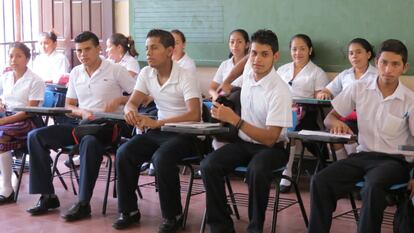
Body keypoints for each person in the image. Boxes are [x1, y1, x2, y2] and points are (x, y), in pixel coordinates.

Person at [308, 39, 414, 233]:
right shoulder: (359, 88)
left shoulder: (410, 100)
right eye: (384, 62)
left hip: (395, 161)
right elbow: (329, 119)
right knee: (320, 181)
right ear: (376, 63)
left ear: (404, 67)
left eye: (395, 64)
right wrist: (337, 123)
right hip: (363, 156)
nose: (388, 69)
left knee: (372, 187)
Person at [26, 31, 135, 220]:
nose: (83, 54)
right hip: (81, 123)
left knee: (89, 143)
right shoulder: (76, 72)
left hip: (108, 126)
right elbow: (69, 104)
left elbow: (139, 97)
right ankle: (47, 196)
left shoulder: (115, 70)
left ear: (98, 49)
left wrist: (119, 99)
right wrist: (82, 112)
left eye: (87, 49)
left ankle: (83, 203)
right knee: (35, 136)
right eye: (79, 51)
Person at [201, 29, 292, 233]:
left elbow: (270, 138)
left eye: (264, 54)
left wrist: (235, 120)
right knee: (209, 165)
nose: (257, 59)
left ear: (275, 57)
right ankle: (221, 226)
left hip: (273, 149)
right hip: (244, 144)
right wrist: (223, 90)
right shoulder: (249, 76)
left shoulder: (280, 90)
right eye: (253, 53)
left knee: (257, 170)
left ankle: (255, 227)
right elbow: (234, 75)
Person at [112, 29, 202, 232]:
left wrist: (158, 123)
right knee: (124, 153)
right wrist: (130, 111)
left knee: (162, 158)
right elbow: (132, 102)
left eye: (154, 48)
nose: (148, 53)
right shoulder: (146, 73)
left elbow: (194, 114)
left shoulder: (186, 76)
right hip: (161, 132)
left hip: (187, 134)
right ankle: (129, 211)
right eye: (146, 48)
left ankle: (173, 216)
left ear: (170, 51)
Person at [276, 34, 329, 193]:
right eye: (294, 49)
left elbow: (321, 97)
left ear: (310, 50)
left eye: (302, 49)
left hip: (305, 114)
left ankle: (287, 172)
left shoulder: (317, 72)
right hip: (280, 111)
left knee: (290, 126)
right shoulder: (282, 69)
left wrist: (301, 106)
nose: (297, 52)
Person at [316, 38, 377, 159]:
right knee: (334, 136)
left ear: (368, 54)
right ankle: (342, 164)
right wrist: (323, 94)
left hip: (367, 120)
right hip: (344, 117)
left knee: (347, 134)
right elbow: (325, 91)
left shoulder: (377, 75)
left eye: (359, 52)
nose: (354, 56)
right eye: (351, 53)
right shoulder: (345, 74)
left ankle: (353, 163)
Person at [0, 42, 45, 204]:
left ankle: (6, 189)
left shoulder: (35, 80)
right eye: (11, 56)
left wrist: (3, 120)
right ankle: (6, 185)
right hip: (7, 118)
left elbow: (29, 111)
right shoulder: (5, 77)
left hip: (28, 122)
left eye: (19, 56)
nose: (14, 60)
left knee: (1, 136)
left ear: (27, 59)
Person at [208, 29, 249, 101]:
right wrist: (215, 96)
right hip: (222, 102)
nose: (235, 45)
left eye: (239, 42)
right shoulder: (225, 64)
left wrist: (231, 88)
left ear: (247, 45)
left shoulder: (251, 65)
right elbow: (212, 88)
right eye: (232, 42)